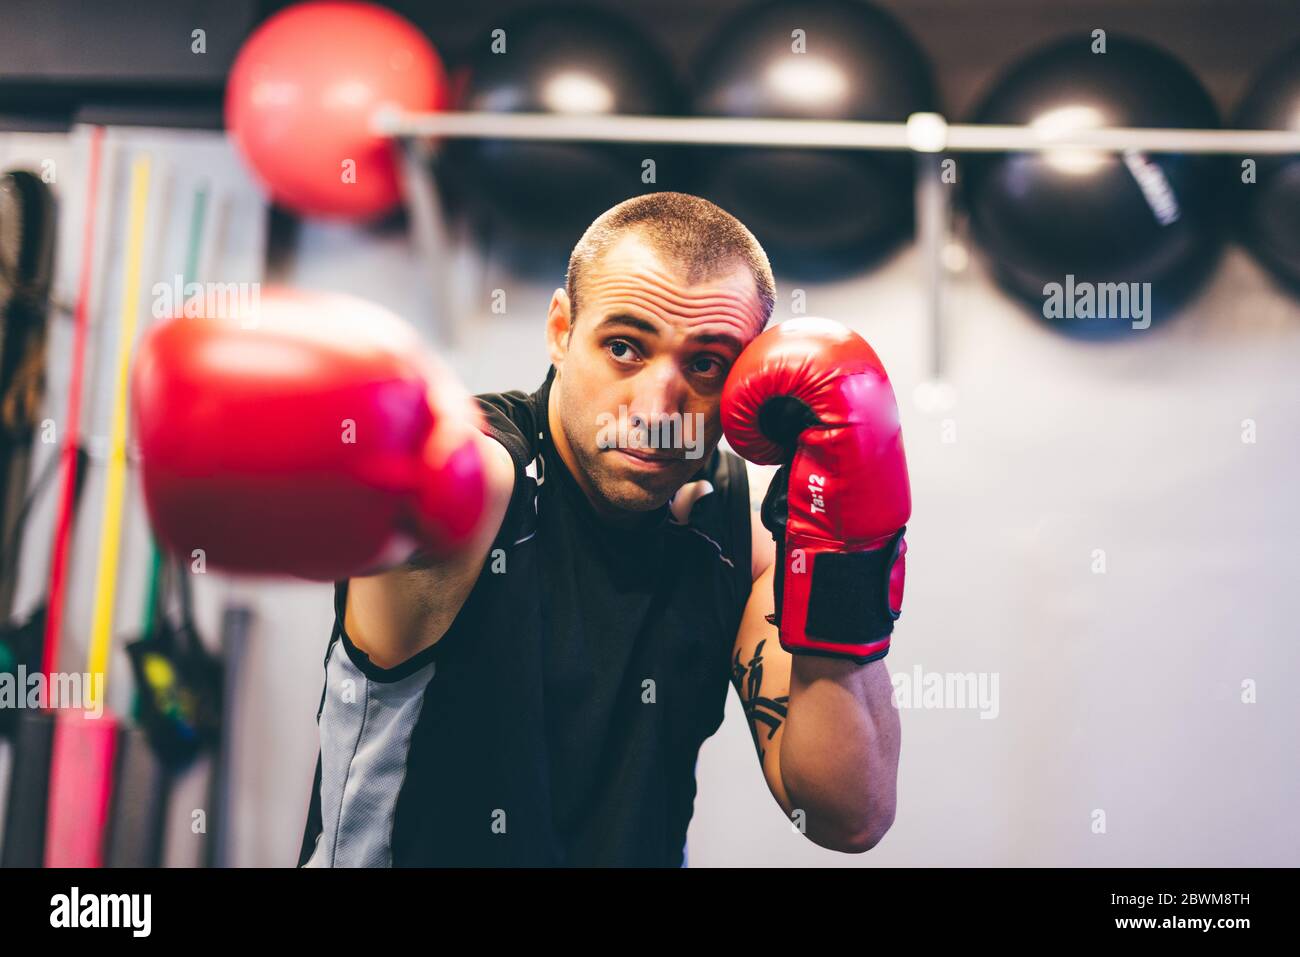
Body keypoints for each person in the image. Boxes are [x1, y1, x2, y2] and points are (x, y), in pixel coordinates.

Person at [133, 192, 910, 867]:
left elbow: (850, 811)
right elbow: (423, 504)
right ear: (560, 330)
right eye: (624, 347)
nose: (654, 407)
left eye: (706, 365)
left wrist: (845, 553)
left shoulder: (737, 536)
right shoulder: (479, 481)